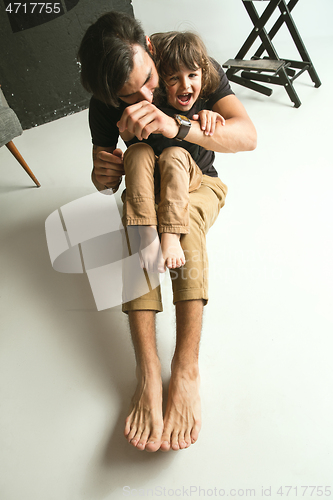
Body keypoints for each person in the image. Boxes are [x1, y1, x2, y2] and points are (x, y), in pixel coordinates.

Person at [78, 11, 257, 453]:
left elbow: (248, 135)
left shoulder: (186, 62)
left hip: (197, 181)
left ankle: (186, 369)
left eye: (147, 79)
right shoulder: (106, 100)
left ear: (150, 49)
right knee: (134, 233)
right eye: (128, 95)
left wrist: (180, 125)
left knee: (187, 230)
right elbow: (106, 178)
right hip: (145, 190)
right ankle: (147, 371)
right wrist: (103, 173)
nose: (145, 95)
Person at [120, 31, 227, 274]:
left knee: (174, 154)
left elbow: (233, 133)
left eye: (192, 76)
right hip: (155, 182)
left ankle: (170, 234)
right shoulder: (150, 102)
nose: (185, 85)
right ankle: (147, 232)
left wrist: (209, 118)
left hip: (190, 177)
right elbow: (128, 138)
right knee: (136, 152)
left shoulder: (202, 106)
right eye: (174, 79)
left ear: (202, 75)